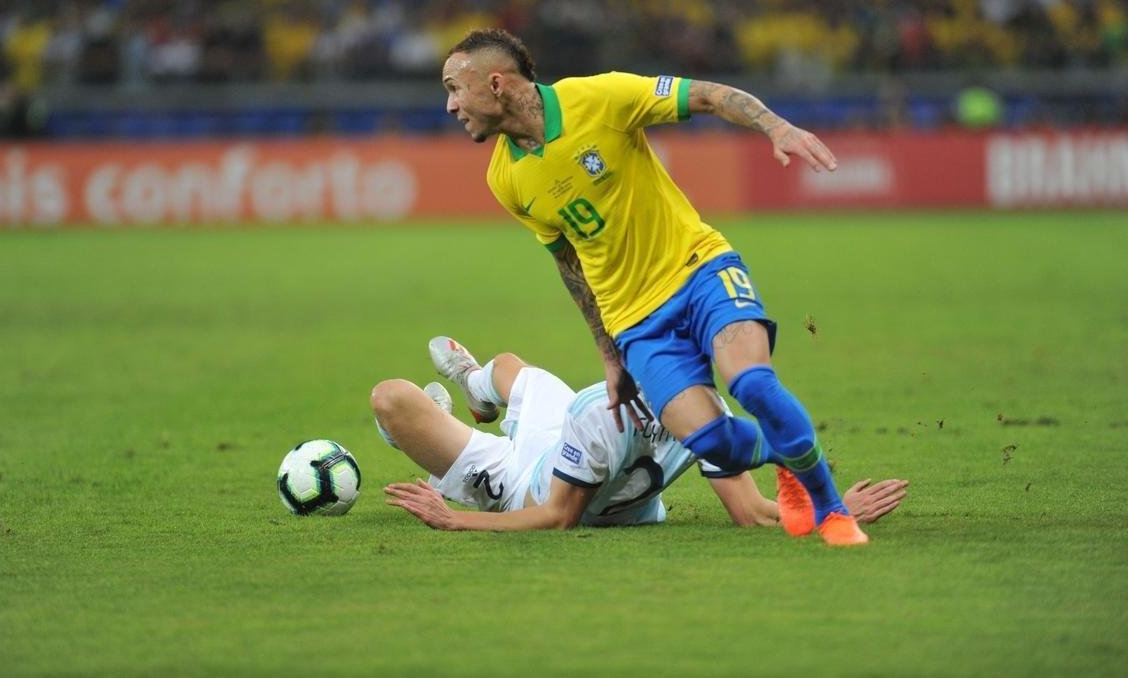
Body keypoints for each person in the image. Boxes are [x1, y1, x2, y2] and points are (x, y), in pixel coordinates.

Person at [440, 28, 867, 544]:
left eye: (455, 88)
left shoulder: (599, 98)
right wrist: (609, 353)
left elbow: (707, 95)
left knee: (750, 382)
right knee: (715, 443)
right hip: (636, 324)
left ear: (496, 83)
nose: (450, 105)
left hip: (698, 269)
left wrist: (775, 126)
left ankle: (831, 510)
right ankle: (787, 451)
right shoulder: (505, 178)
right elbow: (569, 263)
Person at [373, 337, 908, 532]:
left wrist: (830, 510)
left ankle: (467, 393)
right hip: (522, 486)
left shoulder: (707, 415)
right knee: (391, 400)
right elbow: (559, 518)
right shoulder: (600, 415)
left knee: (512, 368)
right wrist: (456, 520)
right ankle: (470, 387)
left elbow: (752, 512)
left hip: (570, 458)